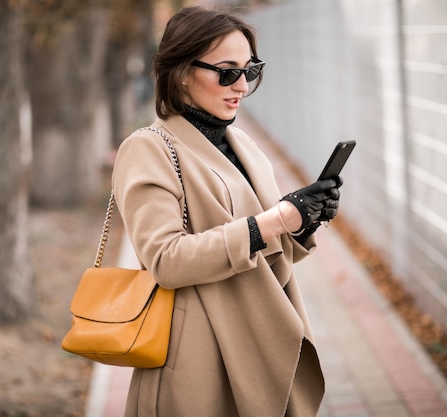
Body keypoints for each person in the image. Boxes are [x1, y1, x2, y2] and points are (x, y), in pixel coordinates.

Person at [112, 6, 342, 417]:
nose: (241, 85)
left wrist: (303, 222)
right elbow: (165, 260)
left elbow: (270, 250)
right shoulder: (148, 148)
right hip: (199, 355)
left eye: (250, 70)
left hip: (261, 336)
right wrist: (274, 220)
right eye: (226, 71)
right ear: (182, 71)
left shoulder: (243, 144)